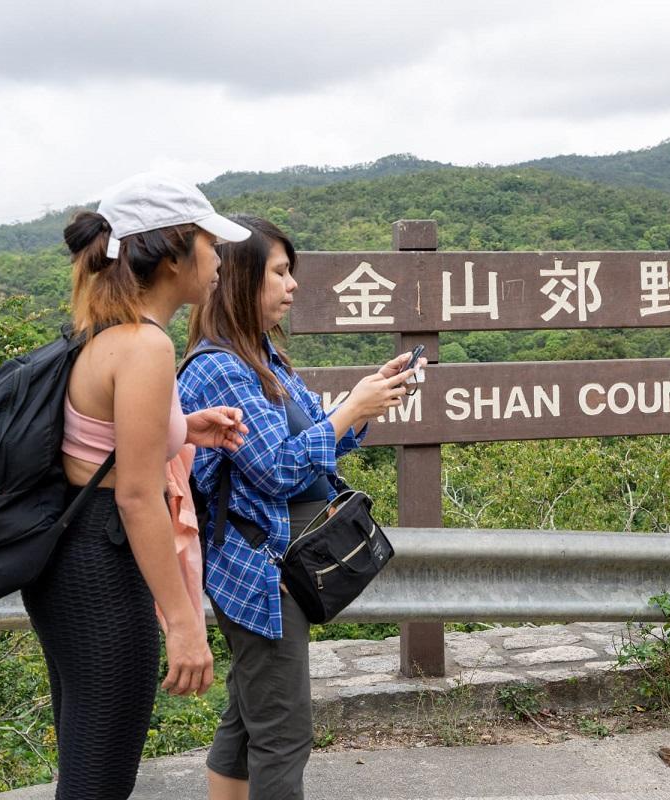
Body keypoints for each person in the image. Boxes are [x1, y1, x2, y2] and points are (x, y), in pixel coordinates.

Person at [178, 215, 423, 800]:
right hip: (260, 573)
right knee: (284, 734)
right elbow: (276, 469)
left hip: (278, 567)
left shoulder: (263, 357)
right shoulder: (218, 368)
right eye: (280, 273)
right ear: (239, 279)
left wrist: (363, 403)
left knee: (248, 717)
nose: (293, 286)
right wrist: (348, 410)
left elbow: (311, 440)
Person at [22, 172, 250, 800]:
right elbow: (136, 494)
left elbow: (102, 444)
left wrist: (184, 429)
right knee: (99, 780)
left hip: (65, 560)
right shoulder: (146, 344)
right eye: (211, 244)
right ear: (174, 252)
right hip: (103, 562)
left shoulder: (102, 331)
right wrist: (182, 620)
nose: (220, 260)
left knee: (83, 763)